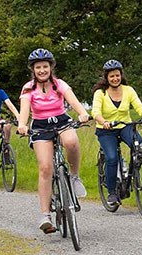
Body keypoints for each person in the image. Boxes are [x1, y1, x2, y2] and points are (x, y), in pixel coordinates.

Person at [17, 48, 90, 234]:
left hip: (61, 121)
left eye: (45, 66)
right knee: (45, 168)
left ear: (51, 67)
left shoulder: (59, 84)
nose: (42, 70)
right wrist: (22, 125)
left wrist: (82, 113)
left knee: (71, 142)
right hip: (40, 126)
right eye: (38, 67)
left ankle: (74, 177)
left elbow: (73, 101)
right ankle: (45, 216)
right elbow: (24, 110)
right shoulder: (28, 88)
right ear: (33, 70)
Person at [91, 59, 142, 204]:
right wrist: (103, 122)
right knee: (112, 158)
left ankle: (135, 174)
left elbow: (139, 106)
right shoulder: (100, 93)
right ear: (106, 77)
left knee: (139, 144)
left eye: (117, 75)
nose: (115, 78)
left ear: (121, 75)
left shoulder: (128, 90)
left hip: (124, 126)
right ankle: (111, 193)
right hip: (106, 130)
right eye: (112, 76)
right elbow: (95, 111)